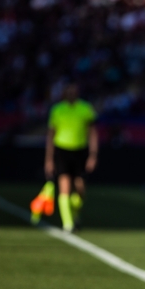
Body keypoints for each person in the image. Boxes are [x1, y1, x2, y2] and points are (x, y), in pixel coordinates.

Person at [45, 84, 98, 232]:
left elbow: (92, 133)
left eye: (73, 91)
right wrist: (49, 159)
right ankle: (68, 224)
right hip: (62, 151)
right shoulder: (57, 110)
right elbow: (50, 135)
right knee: (64, 187)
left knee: (80, 189)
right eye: (68, 91)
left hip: (80, 151)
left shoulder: (85, 109)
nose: (70, 94)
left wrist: (93, 155)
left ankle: (74, 213)